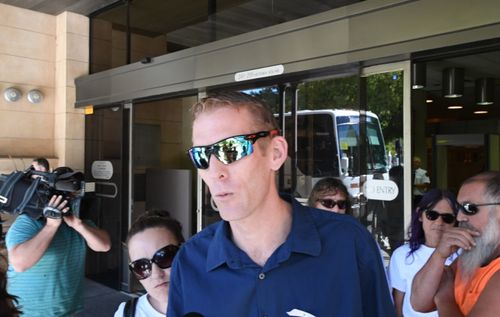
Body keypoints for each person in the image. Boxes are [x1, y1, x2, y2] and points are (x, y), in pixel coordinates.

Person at [168, 93, 395, 316]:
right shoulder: (190, 263)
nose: (215, 172)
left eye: (231, 150)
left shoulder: (348, 244)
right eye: (201, 156)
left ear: (276, 153)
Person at [6, 157, 112, 316]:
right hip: (28, 313)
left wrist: (78, 225)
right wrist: (51, 226)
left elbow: (104, 245)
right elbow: (20, 263)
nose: (69, 199)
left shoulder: (78, 222)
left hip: (69, 311)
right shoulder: (28, 223)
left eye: (72, 194)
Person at [411, 171, 500, 316]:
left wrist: (445, 299)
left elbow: (436, 297)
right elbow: (419, 302)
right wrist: (439, 255)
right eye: (459, 208)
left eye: (470, 208)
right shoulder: (474, 256)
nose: (459, 217)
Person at [388, 188, 458, 317]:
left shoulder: (464, 256)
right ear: (420, 215)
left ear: (456, 221)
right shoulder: (401, 255)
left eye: (447, 218)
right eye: (432, 215)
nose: (439, 222)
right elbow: (399, 303)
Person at [114, 210, 184, 317]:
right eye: (141, 267)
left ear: (185, 252)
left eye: (165, 257)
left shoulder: (214, 302)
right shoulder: (127, 313)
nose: (156, 274)